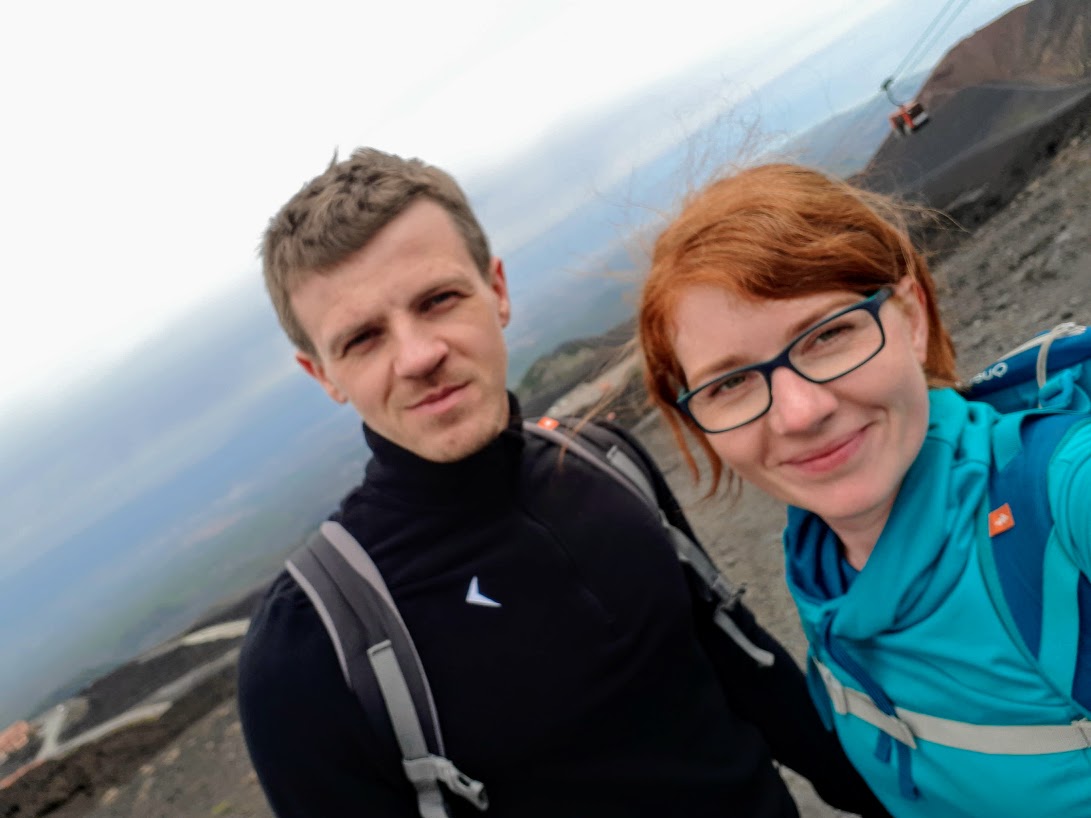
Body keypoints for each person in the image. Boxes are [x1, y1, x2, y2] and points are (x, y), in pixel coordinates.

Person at [237, 148, 891, 818]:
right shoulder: (311, 650)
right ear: (323, 375)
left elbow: (753, 678)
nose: (419, 356)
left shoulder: (607, 462)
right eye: (363, 339)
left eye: (438, 300)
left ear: (497, 291)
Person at [637, 162, 1091, 818]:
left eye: (827, 335)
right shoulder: (820, 562)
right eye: (730, 383)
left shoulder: (1062, 497)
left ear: (911, 316)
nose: (799, 414)